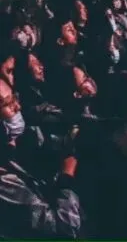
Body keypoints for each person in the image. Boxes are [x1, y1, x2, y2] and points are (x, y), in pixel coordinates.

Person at [0, 75, 83, 238]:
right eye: (8, 104)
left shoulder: (21, 142)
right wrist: (66, 179)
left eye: (15, 98)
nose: (18, 106)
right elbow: (64, 227)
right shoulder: (4, 182)